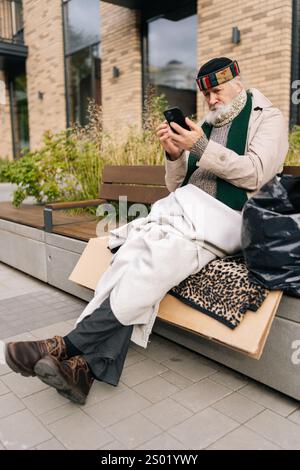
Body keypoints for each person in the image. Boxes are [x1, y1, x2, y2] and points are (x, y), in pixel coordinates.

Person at [4, 57, 289, 405]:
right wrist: (174, 155)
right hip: (184, 210)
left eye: (216, 91)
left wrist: (198, 146)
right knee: (132, 254)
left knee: (159, 256)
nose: (212, 100)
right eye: (207, 95)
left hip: (228, 219)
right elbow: (177, 185)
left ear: (236, 83)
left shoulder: (267, 117)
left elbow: (256, 173)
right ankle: (84, 371)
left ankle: (68, 344)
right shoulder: (207, 125)